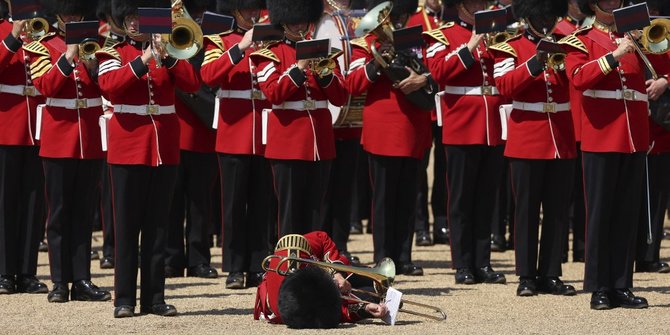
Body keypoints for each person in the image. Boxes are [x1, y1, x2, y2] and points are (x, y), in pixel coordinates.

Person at [96, 0, 200, 317]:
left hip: (163, 148)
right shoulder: (111, 52)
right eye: (127, 17)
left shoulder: (169, 54)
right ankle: (124, 299)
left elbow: (193, 84)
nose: (132, 23)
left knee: (158, 227)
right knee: (127, 228)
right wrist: (144, 59)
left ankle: (154, 298)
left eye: (138, 17)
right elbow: (111, 86)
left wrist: (167, 58)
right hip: (128, 148)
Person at [564, 0, 670, 309]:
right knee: (600, 214)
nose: (612, 2)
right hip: (601, 134)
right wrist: (617, 54)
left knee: (627, 214)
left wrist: (661, 76)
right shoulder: (582, 39)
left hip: (634, 135)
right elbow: (579, 77)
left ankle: (622, 284)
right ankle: (599, 286)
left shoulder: (640, 38)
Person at [24, 0, 110, 303]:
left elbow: (109, 87)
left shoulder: (99, 45)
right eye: (67, 12)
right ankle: (60, 281)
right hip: (59, 136)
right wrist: (69, 56)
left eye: (76, 12)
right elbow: (44, 86)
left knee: (84, 213)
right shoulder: (43, 45)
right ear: (57, 13)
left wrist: (91, 65)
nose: (72, 17)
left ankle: (82, 279)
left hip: (88, 136)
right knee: (59, 213)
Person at [491, 0, 577, 297]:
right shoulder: (510, 46)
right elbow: (503, 85)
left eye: (550, 17)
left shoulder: (568, 44)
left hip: (561, 136)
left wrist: (565, 64)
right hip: (527, 136)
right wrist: (534, 63)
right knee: (526, 210)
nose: (545, 22)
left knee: (556, 211)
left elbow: (577, 83)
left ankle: (550, 273)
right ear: (528, 17)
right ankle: (526, 275)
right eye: (541, 17)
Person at [345, 0, 433, 276]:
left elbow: (434, 72)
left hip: (414, 126)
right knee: (383, 199)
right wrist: (377, 61)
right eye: (394, 17)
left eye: (402, 16)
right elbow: (353, 82)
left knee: (408, 196)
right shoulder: (366, 43)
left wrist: (424, 78)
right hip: (384, 128)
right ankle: (384, 258)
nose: (397, 21)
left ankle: (404, 256)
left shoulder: (417, 40)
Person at [423, 0, 506, 284]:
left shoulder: (497, 35)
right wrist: (470, 46)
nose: (479, 6)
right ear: (459, 6)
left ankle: (482, 262)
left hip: (491, 124)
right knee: (460, 198)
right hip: (462, 124)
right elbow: (439, 72)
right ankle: (462, 263)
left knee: (485, 198)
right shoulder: (441, 35)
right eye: (473, 2)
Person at [251, 0, 347, 236]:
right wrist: (299, 67)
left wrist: (325, 76)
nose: (300, 26)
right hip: (288, 143)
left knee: (316, 211)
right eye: (294, 22)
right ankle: (290, 265)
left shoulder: (324, 53)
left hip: (319, 143)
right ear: (283, 23)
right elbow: (274, 94)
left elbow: (340, 97)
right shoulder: (269, 54)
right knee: (290, 213)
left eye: (303, 20)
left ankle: (312, 264)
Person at [200, 0, 275, 289]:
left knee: (260, 202)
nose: (254, 14)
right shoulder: (220, 41)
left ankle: (257, 265)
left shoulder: (270, 40)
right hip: (234, 130)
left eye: (256, 9)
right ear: (235, 11)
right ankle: (233, 267)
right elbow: (208, 76)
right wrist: (240, 47)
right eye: (248, 10)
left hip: (264, 131)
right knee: (232, 203)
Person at [164, 0, 220, 280]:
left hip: (200, 130)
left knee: (200, 202)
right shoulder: (165, 29)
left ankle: (199, 259)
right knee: (171, 201)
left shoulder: (212, 32)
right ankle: (172, 258)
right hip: (173, 127)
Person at [0, 0, 48, 295]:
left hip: (38, 129)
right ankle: (4, 271)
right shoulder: (4, 30)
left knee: (34, 203)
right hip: (7, 127)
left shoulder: (43, 33)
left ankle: (27, 272)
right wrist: (12, 37)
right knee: (5, 202)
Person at [314, 0, 367, 264]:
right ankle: (321, 246)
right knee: (322, 190)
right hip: (324, 113)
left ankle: (341, 246)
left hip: (349, 116)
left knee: (344, 188)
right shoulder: (317, 18)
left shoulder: (354, 18)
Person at [254, 231, 388, 328]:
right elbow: (335, 313)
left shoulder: (294, 252)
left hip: (328, 269)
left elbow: (322, 238)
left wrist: (336, 273)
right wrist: (364, 310)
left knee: (357, 275)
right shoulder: (291, 313)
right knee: (370, 296)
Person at [407, 0, 449, 247]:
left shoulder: (451, 18)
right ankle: (420, 225)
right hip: (423, 103)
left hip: (447, 104)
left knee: (445, 168)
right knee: (419, 169)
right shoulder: (415, 20)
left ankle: (441, 221)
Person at [556, 0, 587, 264]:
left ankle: (582, 246)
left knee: (584, 192)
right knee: (563, 193)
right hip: (568, 117)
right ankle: (561, 250)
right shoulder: (559, 30)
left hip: (584, 118)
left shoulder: (587, 30)